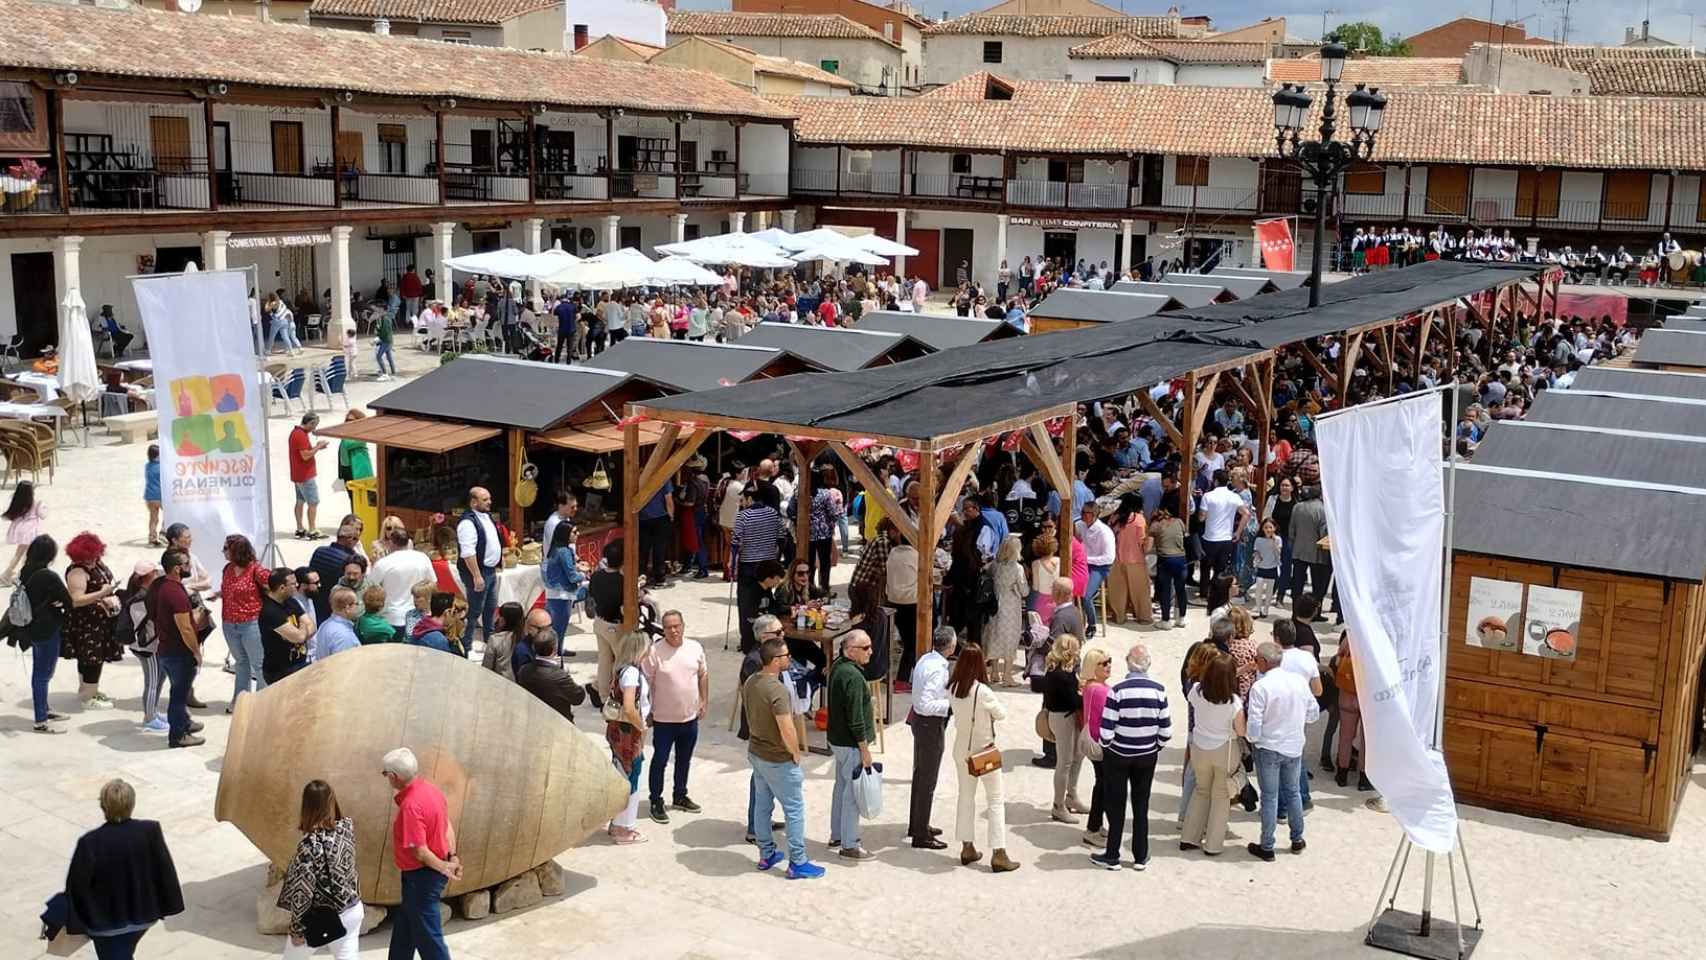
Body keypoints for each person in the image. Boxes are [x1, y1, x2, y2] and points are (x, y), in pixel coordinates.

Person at [59, 779, 184, 960]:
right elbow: (164, 870)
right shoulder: (149, 830)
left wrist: (78, 922)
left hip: (105, 924)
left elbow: (77, 887)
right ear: (131, 804)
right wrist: (167, 905)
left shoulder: (91, 842)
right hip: (144, 916)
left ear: (103, 805)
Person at [743, 636, 823, 878]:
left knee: (763, 805)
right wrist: (795, 753)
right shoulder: (777, 690)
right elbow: (786, 727)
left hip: (756, 752)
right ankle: (797, 861)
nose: (790, 658)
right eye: (786, 656)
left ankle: (766, 854)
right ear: (775, 661)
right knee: (794, 809)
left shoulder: (750, 682)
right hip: (778, 758)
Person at [1091, 644, 1170, 871]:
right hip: (1146, 756)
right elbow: (1165, 730)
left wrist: (1110, 748)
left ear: (1128, 663)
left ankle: (1113, 854)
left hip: (1119, 755)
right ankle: (1140, 855)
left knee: (1116, 805)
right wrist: (1153, 747)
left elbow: (1106, 730)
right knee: (1141, 804)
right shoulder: (1159, 690)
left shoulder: (1118, 691)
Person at [382, 747, 459, 960]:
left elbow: (420, 852)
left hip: (421, 878)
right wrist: (452, 857)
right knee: (405, 930)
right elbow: (447, 826)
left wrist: (445, 868)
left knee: (429, 939)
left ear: (393, 776)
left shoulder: (410, 806)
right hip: (426, 875)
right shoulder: (432, 791)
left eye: (385, 774)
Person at [1246, 641, 1319, 861]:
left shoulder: (1260, 687)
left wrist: (1253, 741)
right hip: (1293, 746)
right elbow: (1313, 713)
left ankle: (1267, 845)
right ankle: (1297, 839)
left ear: (1264, 662)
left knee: (1269, 796)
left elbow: (1255, 724)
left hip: (1268, 747)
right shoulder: (1298, 681)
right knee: (1293, 792)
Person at [948, 643, 1018, 873]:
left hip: (962, 749)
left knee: (965, 797)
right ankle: (999, 852)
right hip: (983, 750)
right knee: (995, 800)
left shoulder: (954, 687)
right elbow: (1002, 714)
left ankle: (967, 846)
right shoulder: (982, 691)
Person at [277, 779, 362, 959]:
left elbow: (303, 892)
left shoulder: (309, 846)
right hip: (352, 909)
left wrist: (297, 929)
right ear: (332, 802)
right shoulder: (346, 827)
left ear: (306, 806)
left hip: (324, 918)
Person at [644, 610, 708, 823]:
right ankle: (656, 800)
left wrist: (703, 701)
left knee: (684, 760)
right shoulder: (654, 652)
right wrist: (647, 711)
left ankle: (680, 795)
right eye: (668, 627)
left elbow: (703, 674)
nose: (673, 631)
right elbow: (645, 683)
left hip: (689, 719)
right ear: (663, 629)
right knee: (660, 760)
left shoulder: (695, 647)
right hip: (663, 720)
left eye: (676, 626)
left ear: (683, 626)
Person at [1180, 653, 1244, 856]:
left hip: (1199, 748)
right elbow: (1241, 731)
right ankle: (1213, 844)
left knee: (1201, 791)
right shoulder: (1234, 703)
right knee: (1221, 796)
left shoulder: (1197, 691)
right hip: (1223, 749)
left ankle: (1189, 837)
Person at [826, 628, 877, 862]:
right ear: (851, 651)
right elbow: (856, 719)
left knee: (841, 787)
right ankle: (849, 844)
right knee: (852, 795)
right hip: (850, 744)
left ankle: (838, 834)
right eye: (865, 648)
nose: (871, 652)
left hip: (837, 740)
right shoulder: (854, 677)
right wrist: (864, 749)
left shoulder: (839, 667)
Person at [149, 550, 206, 748]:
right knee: (178, 696)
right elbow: (185, 628)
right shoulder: (174, 593)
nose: (189, 566)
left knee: (177, 690)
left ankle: (185, 723)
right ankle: (178, 736)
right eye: (186, 563)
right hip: (179, 653)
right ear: (176, 568)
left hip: (164, 649)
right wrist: (196, 652)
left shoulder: (158, 585)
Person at [907, 626, 956, 850]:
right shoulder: (937, 669)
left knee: (920, 775)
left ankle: (917, 824)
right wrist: (951, 704)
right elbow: (925, 704)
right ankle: (920, 834)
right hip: (929, 724)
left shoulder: (927, 659)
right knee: (927, 779)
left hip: (922, 723)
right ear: (950, 646)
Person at [605, 630, 654, 845]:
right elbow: (629, 706)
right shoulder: (632, 674)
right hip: (628, 734)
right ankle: (625, 829)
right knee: (630, 780)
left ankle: (617, 823)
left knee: (620, 775)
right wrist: (641, 726)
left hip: (620, 732)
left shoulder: (622, 669)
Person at [18, 535, 71, 733]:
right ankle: (40, 720)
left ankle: (44, 709)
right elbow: (67, 600)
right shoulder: (48, 576)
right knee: (43, 673)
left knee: (40, 671)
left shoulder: (26, 571)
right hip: (48, 628)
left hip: (32, 626)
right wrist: (56, 603)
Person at [63, 532, 121, 710]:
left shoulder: (96, 563)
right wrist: (103, 593)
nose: (93, 561)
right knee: (91, 658)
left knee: (93, 656)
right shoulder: (77, 571)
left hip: (101, 621)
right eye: (89, 558)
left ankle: (88, 690)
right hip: (87, 623)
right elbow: (77, 599)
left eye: (95, 556)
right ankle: (89, 697)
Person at [1042, 632, 1090, 822]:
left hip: (1066, 717)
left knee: (1078, 756)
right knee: (1065, 762)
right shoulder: (1060, 674)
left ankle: (1071, 797)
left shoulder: (1059, 670)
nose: (1079, 652)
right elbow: (1073, 701)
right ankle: (1058, 805)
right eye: (1076, 648)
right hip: (1063, 718)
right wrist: (1086, 694)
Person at [219, 534, 269, 707]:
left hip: (251, 624)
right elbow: (229, 591)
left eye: (226, 548)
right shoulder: (227, 569)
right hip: (229, 624)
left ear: (236, 551)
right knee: (240, 662)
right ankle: (240, 701)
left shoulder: (256, 570)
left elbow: (274, 585)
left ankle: (261, 702)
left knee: (259, 664)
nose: (223, 551)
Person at [456, 486, 503, 649]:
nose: (489, 502)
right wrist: (476, 576)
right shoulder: (468, 522)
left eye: (489, 499)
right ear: (473, 502)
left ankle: (489, 640)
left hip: (489, 570)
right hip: (478, 572)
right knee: (475, 610)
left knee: (490, 608)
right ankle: (465, 644)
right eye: (485, 500)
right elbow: (468, 552)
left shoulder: (486, 517)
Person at [370, 529, 434, 643]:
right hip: (419, 617)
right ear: (408, 541)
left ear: (391, 543)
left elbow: (370, 587)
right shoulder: (423, 558)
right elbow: (433, 583)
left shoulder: (383, 563)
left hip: (393, 618)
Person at [1078, 647, 1113, 849]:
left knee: (1100, 784)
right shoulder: (1101, 690)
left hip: (1092, 739)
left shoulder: (1090, 686)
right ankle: (1092, 828)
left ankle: (1096, 825)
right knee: (1103, 786)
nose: (1108, 665)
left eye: (1109, 661)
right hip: (1101, 743)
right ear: (1094, 667)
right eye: (1103, 663)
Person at [515, 628, 588, 723]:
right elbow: (578, 698)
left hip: (531, 721)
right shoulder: (560, 676)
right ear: (555, 649)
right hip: (558, 723)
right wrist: (564, 674)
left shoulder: (523, 670)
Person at [1198, 470, 1248, 602]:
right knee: (1220, 569)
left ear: (1215, 480)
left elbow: (1202, 518)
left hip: (1210, 537)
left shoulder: (1208, 496)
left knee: (1205, 567)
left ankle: (1204, 593)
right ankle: (1216, 594)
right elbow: (1246, 513)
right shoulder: (1234, 497)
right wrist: (1238, 532)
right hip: (1226, 538)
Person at [983, 534, 1026, 685]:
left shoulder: (995, 565)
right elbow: (1025, 591)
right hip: (1011, 606)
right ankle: (1007, 675)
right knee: (1010, 638)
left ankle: (994, 672)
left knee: (995, 637)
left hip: (995, 605)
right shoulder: (1017, 568)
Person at [1105, 500, 1152, 626]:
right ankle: (1144, 617)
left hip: (1116, 559)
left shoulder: (1114, 517)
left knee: (1118, 590)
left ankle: (1119, 616)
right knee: (1140, 591)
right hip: (1135, 559)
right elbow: (1142, 541)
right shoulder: (1139, 519)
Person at [257, 568, 309, 684]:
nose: (297, 585)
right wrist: (303, 626)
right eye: (293, 584)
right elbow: (299, 637)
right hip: (280, 672)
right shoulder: (270, 611)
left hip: (299, 664)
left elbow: (312, 627)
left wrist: (302, 630)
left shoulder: (291, 602)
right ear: (282, 588)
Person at [588, 541, 626, 693]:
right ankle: (618, 693)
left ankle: (603, 695)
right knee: (621, 661)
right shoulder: (622, 581)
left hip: (600, 622)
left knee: (604, 660)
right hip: (615, 625)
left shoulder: (596, 576)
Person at [540, 522, 586, 643]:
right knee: (559, 629)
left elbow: (562, 569)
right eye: (574, 532)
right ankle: (557, 653)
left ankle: (558, 650)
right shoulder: (564, 551)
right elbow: (572, 577)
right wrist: (584, 575)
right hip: (562, 594)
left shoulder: (556, 548)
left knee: (554, 627)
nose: (578, 534)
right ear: (565, 534)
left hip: (553, 593)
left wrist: (577, 567)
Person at [306, 524, 360, 626]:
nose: (356, 542)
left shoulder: (319, 551)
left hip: (315, 603)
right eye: (356, 539)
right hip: (335, 606)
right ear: (349, 539)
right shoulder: (349, 560)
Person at [288, 414, 330, 540]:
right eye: (314, 425)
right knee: (313, 502)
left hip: (298, 474)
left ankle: (300, 528)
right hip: (305, 475)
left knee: (300, 501)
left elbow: (304, 451)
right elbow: (305, 456)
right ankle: (312, 530)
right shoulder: (300, 435)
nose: (314, 428)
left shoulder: (296, 433)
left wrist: (316, 447)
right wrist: (318, 447)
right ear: (310, 423)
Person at [1078, 502, 1114, 639]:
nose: (1083, 515)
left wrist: (1087, 560)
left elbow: (1109, 558)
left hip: (1100, 566)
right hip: (1084, 563)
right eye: (1082, 512)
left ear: (1094, 515)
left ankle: (1092, 624)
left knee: (1086, 596)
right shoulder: (1080, 525)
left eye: (1086, 513)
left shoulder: (1104, 532)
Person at [3, 479, 45, 584]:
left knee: (21, 553)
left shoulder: (17, 501)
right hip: (29, 531)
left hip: (20, 529)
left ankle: (13, 574)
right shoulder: (36, 503)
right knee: (23, 554)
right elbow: (43, 515)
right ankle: (8, 574)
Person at [334, 413, 374, 516]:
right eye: (347, 420)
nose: (348, 422)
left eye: (352, 420)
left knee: (363, 500)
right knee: (354, 499)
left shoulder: (359, 436)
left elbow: (349, 444)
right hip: (348, 472)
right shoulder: (349, 436)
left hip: (359, 473)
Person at [309, 587, 361, 662]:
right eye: (356, 604)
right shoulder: (343, 636)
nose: (357, 607)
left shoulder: (325, 625)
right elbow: (345, 666)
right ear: (347, 608)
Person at [1249, 518, 1283, 618]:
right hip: (1261, 567)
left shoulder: (1278, 539)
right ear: (1262, 529)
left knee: (1269, 591)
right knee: (1258, 588)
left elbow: (1278, 554)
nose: (1268, 530)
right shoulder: (1259, 540)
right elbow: (1255, 551)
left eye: (1270, 527)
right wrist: (1257, 556)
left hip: (1272, 567)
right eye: (1266, 527)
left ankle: (1266, 609)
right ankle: (1258, 608)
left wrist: (1274, 544)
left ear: (1275, 528)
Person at [143, 445, 162, 547]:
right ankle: (163, 533)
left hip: (149, 496)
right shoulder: (162, 466)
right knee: (169, 516)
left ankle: (152, 539)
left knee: (153, 519)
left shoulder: (147, 466)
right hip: (160, 496)